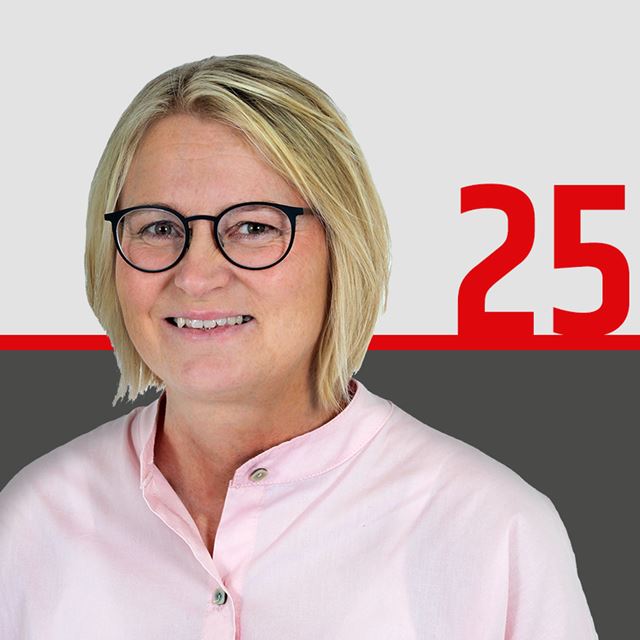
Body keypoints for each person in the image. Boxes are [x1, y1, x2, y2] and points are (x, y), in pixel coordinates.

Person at [0, 54, 598, 639]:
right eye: (158, 227)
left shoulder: (492, 534)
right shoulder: (32, 525)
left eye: (253, 227)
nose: (197, 276)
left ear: (341, 245)